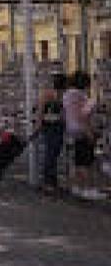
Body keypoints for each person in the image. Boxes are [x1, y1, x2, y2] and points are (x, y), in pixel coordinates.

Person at [63, 71, 104, 200]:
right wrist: (89, 132)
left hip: (72, 130)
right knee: (87, 162)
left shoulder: (67, 95)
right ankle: (88, 189)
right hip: (83, 131)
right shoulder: (81, 96)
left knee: (79, 161)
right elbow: (84, 115)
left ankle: (77, 187)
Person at [40, 73, 66, 192]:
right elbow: (41, 111)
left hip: (56, 126)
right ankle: (48, 182)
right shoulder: (49, 94)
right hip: (51, 126)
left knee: (53, 153)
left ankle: (52, 181)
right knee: (51, 154)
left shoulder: (60, 95)